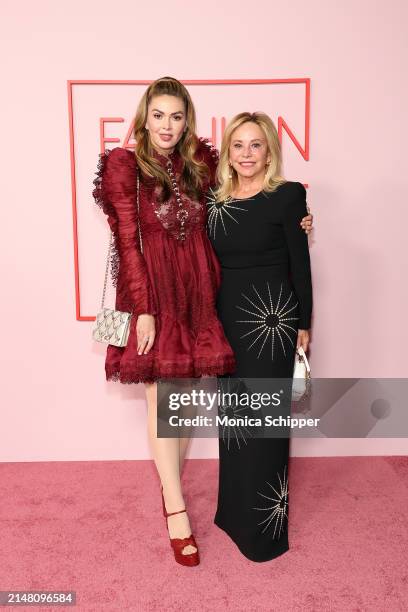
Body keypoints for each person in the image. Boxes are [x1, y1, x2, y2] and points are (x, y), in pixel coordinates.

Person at [92, 77, 313, 566]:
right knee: (165, 402)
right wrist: (143, 308)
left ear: (186, 120)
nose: (167, 125)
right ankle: (176, 510)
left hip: (199, 296)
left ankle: (182, 500)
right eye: (158, 115)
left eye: (176, 116)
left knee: (185, 405)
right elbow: (128, 244)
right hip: (153, 296)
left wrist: (298, 221)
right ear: (143, 118)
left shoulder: (200, 165)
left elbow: (243, 203)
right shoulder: (125, 166)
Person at [207, 112, 313, 562]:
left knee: (266, 425)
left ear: (270, 151)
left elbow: (301, 264)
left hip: (272, 322)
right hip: (227, 319)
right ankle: (232, 514)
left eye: (256, 146)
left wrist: (305, 324)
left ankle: (263, 534)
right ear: (228, 152)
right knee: (233, 420)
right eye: (238, 145)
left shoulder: (289, 196)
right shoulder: (214, 200)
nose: (247, 154)